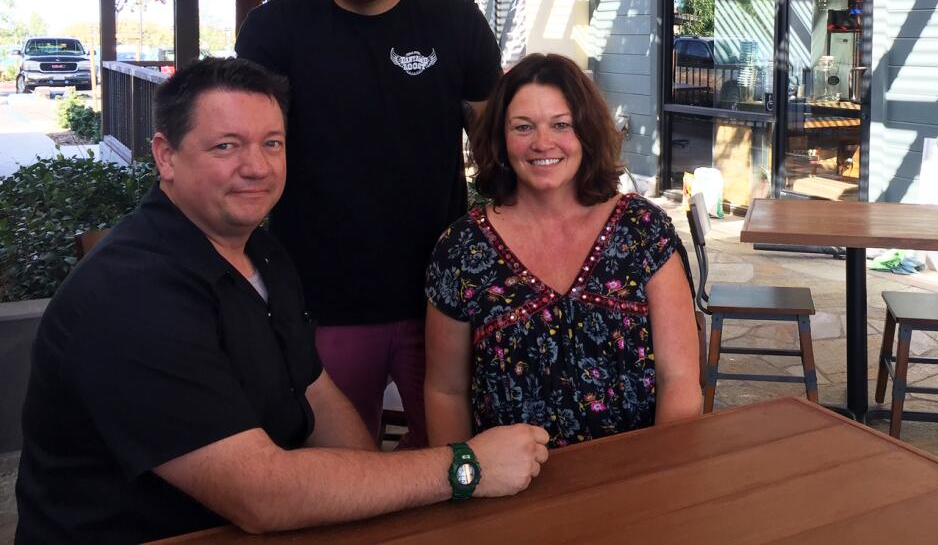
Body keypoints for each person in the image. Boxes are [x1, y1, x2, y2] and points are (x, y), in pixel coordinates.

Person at [15, 58, 548, 544]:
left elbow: (314, 394)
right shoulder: (130, 294)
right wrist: (464, 468)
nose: (257, 167)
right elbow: (260, 494)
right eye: (226, 146)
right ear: (165, 156)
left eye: (272, 143)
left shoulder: (261, 253)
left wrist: (378, 512)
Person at [235, 0, 502, 446]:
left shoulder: (456, 24)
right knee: (337, 467)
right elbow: (247, 143)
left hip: (442, 296)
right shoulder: (276, 29)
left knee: (453, 458)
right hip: (324, 299)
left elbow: (497, 147)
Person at [424, 53, 702, 448]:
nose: (542, 142)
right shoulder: (462, 249)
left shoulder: (642, 230)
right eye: (523, 127)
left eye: (561, 124)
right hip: (512, 495)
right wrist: (463, 486)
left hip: (637, 486)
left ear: (586, 132)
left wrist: (660, 479)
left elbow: (678, 378)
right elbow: (445, 392)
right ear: (501, 141)